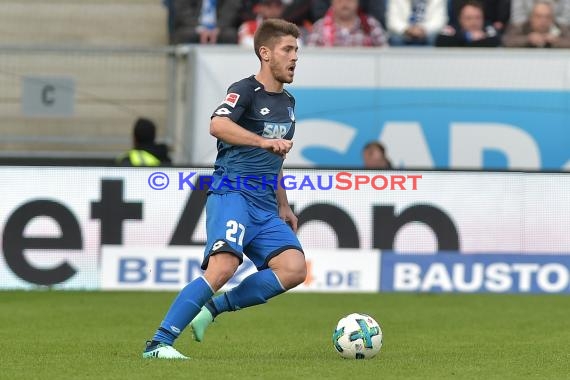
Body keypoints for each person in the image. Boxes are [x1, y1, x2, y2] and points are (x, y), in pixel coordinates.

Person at [143, 18, 306, 359]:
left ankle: (212, 310)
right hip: (232, 194)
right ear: (265, 53)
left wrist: (284, 204)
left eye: (296, 50)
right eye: (287, 49)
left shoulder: (289, 103)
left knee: (293, 269)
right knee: (222, 267)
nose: (294, 57)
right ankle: (158, 344)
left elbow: (274, 159)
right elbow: (217, 124)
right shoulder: (245, 90)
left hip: (264, 205)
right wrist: (262, 141)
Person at [307, 0, 387, 47]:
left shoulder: (371, 26)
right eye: (340, 0)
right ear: (332, 1)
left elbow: (385, 58)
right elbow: (312, 60)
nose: (344, 3)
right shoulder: (319, 27)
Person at [169, 0, 242, 44]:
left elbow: (230, 10)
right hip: (193, 27)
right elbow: (183, 12)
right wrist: (200, 28)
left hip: (219, 29)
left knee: (231, 35)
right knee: (185, 35)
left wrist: (218, 27)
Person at [502, 0, 570, 47]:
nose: (543, 20)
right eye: (539, 16)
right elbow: (506, 40)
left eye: (547, 17)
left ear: (552, 19)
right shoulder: (522, 26)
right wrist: (528, 39)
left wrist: (556, 41)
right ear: (531, 17)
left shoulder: (560, 27)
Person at [436, 0, 501, 47]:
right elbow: (442, 40)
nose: (473, 22)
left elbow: (495, 41)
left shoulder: (488, 27)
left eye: (477, 18)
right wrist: (467, 36)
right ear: (460, 19)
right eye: (468, 18)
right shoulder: (452, 27)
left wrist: (463, 41)